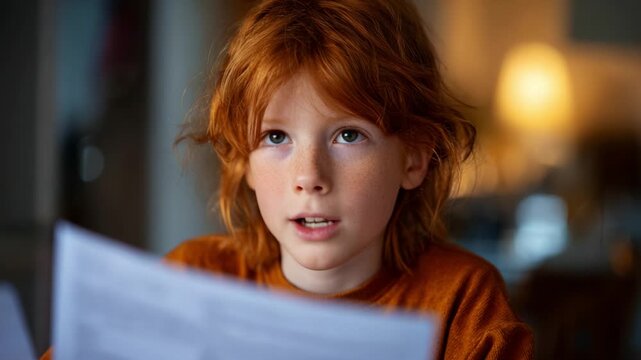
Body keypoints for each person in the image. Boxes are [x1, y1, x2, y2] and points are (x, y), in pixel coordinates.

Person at [41, 0, 533, 358]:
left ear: (414, 157)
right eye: (276, 138)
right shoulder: (194, 280)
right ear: (244, 163)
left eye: (347, 135)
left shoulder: (462, 304)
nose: (309, 177)